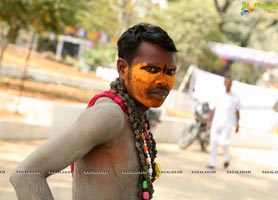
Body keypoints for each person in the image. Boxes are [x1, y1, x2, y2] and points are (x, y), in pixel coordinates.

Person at [9, 23, 178, 200]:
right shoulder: (109, 116)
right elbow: (26, 175)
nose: (163, 81)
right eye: (151, 69)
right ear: (122, 68)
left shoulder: (135, 117)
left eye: (170, 72)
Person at [207, 76, 240, 170]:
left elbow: (237, 112)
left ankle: (226, 159)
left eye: (229, 82)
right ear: (224, 83)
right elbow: (213, 109)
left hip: (228, 124)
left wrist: (238, 124)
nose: (228, 84)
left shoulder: (235, 98)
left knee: (224, 143)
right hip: (216, 122)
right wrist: (209, 121)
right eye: (226, 82)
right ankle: (212, 163)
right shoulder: (218, 95)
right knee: (213, 142)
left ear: (231, 84)